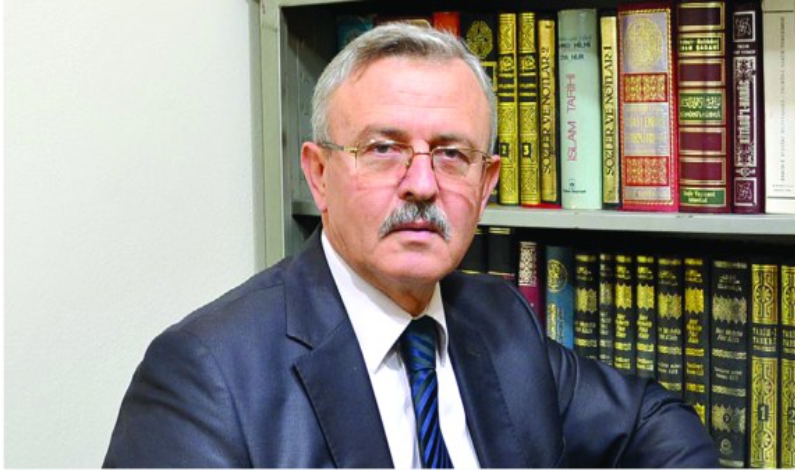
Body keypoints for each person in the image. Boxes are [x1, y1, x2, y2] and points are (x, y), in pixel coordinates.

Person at [104, 23, 716, 467]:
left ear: (486, 185)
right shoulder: (206, 375)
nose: (422, 184)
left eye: (451, 154)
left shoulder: (499, 321)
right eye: (383, 149)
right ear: (318, 175)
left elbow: (653, 422)